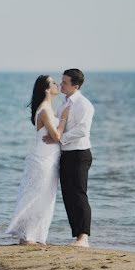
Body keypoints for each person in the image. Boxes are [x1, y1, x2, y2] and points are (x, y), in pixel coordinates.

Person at [5, 75, 68, 245]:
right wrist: (63, 120)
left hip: (49, 159)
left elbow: (55, 137)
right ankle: (26, 236)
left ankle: (34, 235)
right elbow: (55, 135)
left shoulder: (48, 108)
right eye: (53, 83)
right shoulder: (45, 110)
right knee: (36, 196)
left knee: (45, 197)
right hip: (42, 160)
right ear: (47, 89)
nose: (57, 85)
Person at [43, 68, 95, 247]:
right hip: (65, 154)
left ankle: (84, 238)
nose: (61, 84)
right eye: (61, 81)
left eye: (65, 82)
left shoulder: (84, 104)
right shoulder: (63, 103)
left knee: (79, 195)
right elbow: (58, 124)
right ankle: (77, 236)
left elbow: (82, 131)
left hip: (80, 154)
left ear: (76, 85)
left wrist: (59, 139)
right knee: (68, 196)